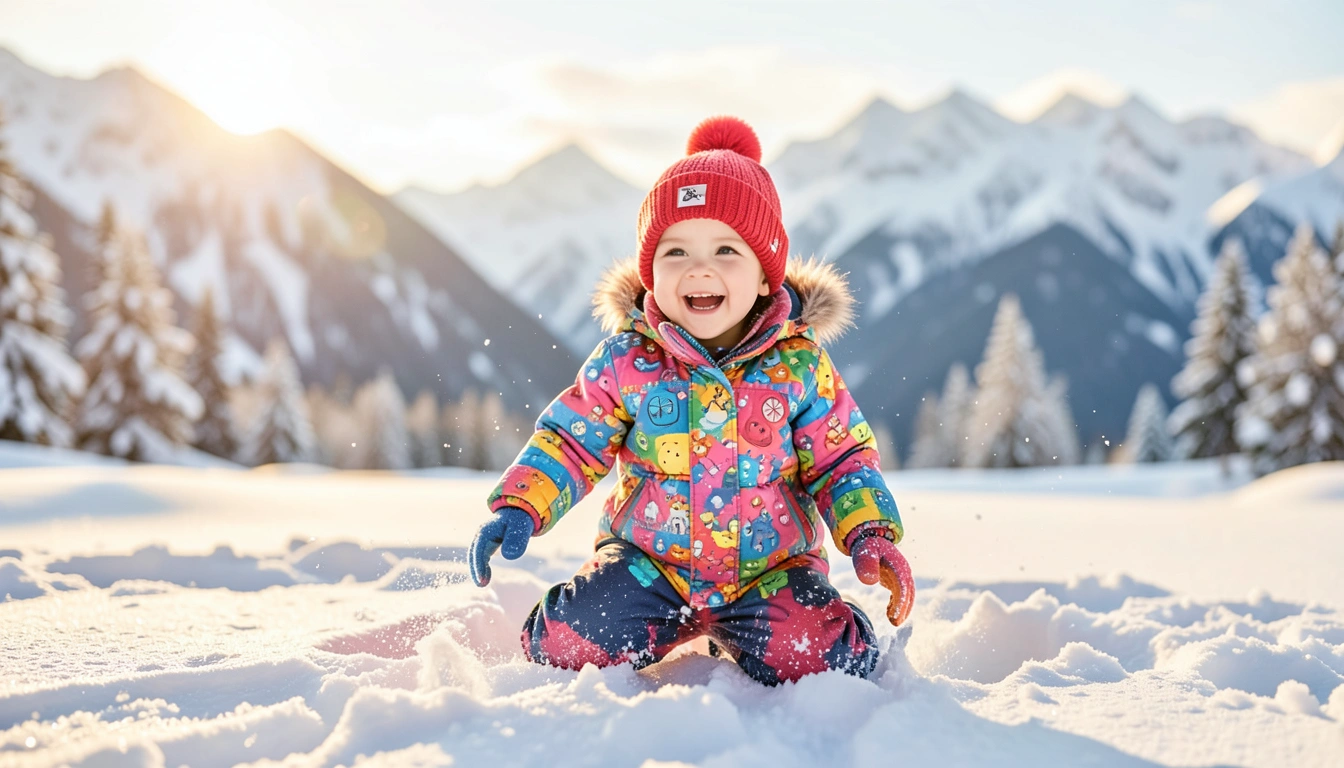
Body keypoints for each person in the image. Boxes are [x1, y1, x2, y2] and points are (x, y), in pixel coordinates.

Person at [469, 115, 913, 685]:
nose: (699, 267)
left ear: (763, 277)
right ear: (650, 273)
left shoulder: (798, 366)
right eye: (675, 252)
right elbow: (572, 440)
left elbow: (842, 459)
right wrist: (520, 504)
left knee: (827, 663)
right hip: (648, 566)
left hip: (769, 573)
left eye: (726, 249)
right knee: (565, 645)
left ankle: (830, 626)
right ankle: (582, 624)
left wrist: (870, 533)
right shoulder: (628, 359)